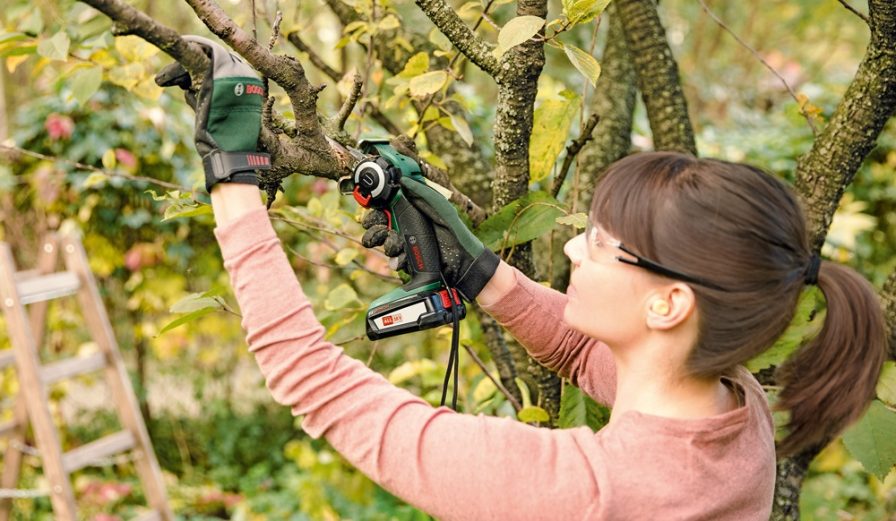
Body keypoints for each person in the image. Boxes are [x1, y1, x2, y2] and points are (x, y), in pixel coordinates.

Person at [156, 39, 887, 520]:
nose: (572, 251)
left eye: (602, 245)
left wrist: (234, 178)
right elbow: (581, 353)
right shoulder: (735, 406)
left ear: (669, 302)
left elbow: (315, 384)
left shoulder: (592, 490)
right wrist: (478, 269)